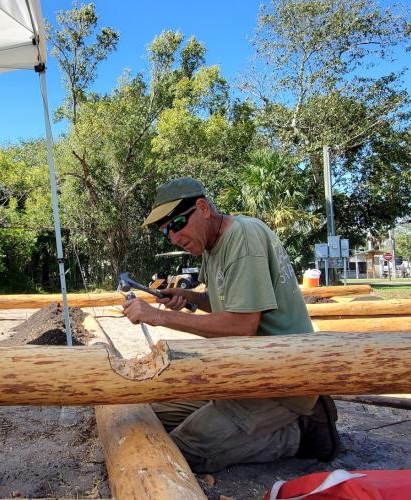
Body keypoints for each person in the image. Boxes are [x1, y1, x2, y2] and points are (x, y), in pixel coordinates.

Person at [123, 177, 340, 473]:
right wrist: (190, 297)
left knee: (186, 449)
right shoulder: (212, 247)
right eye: (165, 231)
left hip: (280, 382)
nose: (173, 237)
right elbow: (229, 301)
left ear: (202, 208)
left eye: (176, 224)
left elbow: (242, 325)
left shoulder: (243, 237)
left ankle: (300, 433)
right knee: (151, 414)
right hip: (242, 373)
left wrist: (158, 316)